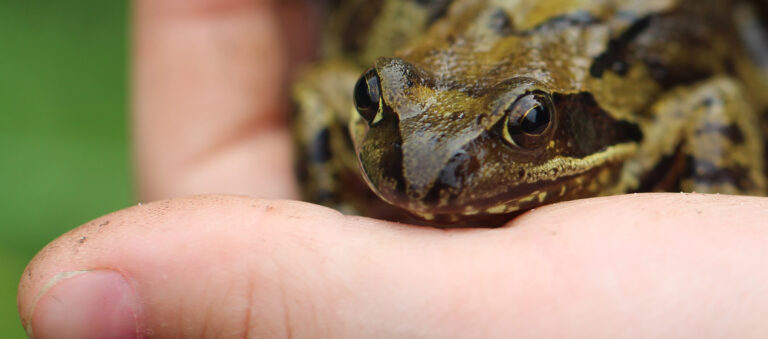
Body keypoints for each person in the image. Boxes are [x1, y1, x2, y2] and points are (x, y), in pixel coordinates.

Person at [17, 1, 768, 338]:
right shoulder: (399, 126)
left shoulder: (657, 123)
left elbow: (712, 99)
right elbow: (319, 90)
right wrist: (331, 208)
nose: (425, 169)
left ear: (555, 122)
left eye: (526, 126)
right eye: (379, 104)